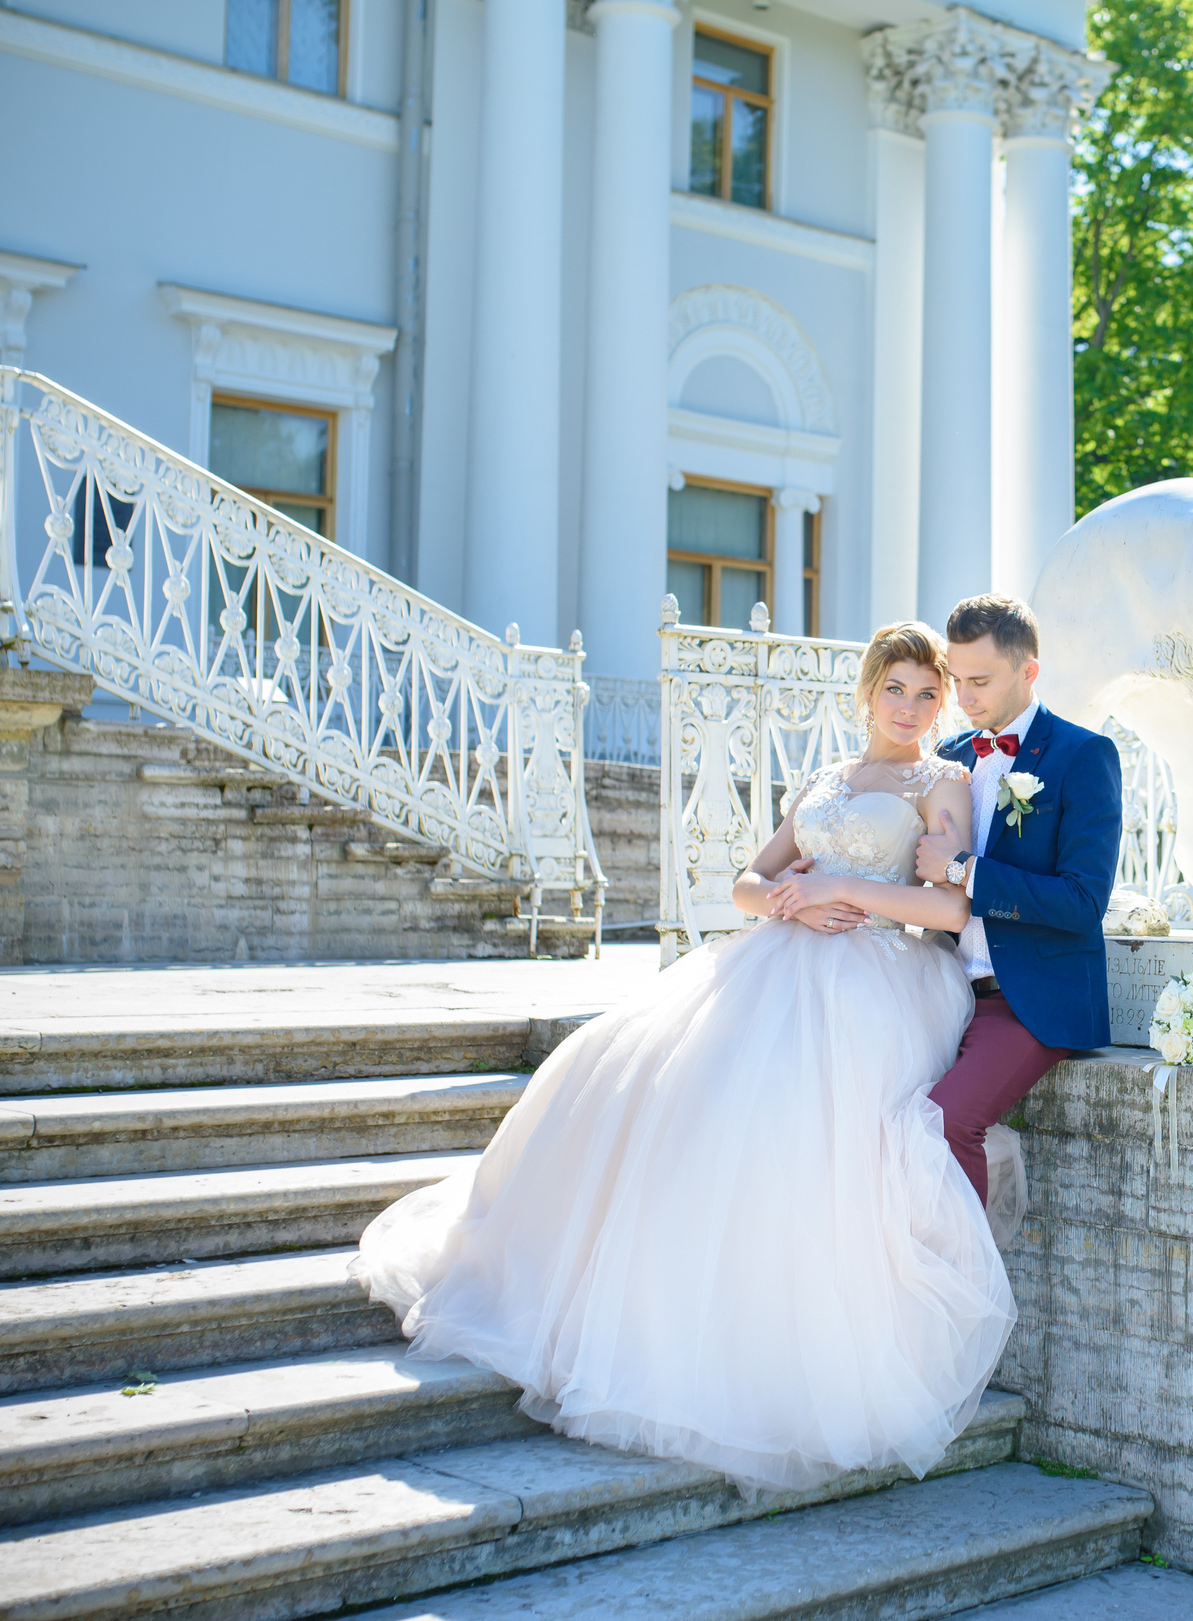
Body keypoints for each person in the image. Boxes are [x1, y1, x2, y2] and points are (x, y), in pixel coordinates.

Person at [354, 623, 1010, 1494]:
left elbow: (946, 908)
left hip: (880, 977)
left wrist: (840, 887)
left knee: (795, 1135)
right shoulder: (825, 778)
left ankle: (777, 1341)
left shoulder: (944, 780)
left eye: (928, 694)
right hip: (784, 955)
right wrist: (788, 903)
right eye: (897, 688)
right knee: (646, 1085)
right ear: (867, 691)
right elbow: (746, 879)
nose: (913, 708)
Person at [915, 594, 1125, 1203]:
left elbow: (1082, 901)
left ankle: (960, 1289)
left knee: (945, 1122)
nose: (963, 698)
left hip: (1027, 1000)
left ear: (1028, 671)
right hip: (941, 988)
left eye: (979, 681)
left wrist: (966, 872)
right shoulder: (949, 758)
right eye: (956, 681)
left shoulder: (1082, 757)